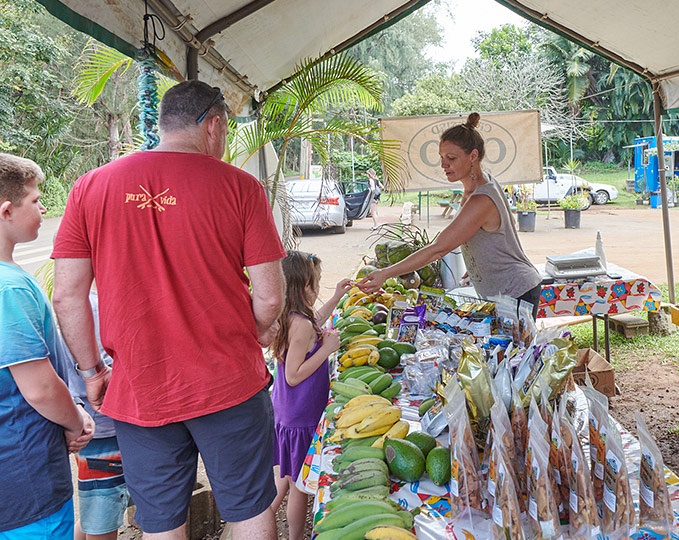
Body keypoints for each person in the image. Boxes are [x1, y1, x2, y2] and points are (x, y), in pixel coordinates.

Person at [51, 80, 286, 539]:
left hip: (140, 387)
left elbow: (66, 296)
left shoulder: (90, 187)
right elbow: (271, 297)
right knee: (249, 510)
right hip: (229, 382)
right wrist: (259, 329)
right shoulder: (240, 187)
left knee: (160, 523)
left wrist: (93, 372)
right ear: (213, 125)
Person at [358, 112, 542, 313]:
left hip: (515, 291)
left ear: (473, 156)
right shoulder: (478, 184)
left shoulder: (482, 198)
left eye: (451, 158)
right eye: (442, 157)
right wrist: (478, 265)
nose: (443, 164)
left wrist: (385, 273)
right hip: (503, 289)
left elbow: (438, 248)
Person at [0, 153, 95, 538]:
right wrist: (77, 420)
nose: (43, 208)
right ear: (7, 211)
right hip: (25, 479)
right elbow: (38, 388)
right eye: (36, 200)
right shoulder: (9, 288)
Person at [269, 251, 349, 540]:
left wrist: (337, 295)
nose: (318, 288)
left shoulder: (294, 317)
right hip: (300, 414)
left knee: (285, 478)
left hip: (288, 410)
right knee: (300, 485)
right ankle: (295, 536)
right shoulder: (300, 324)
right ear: (305, 285)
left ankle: (260, 523)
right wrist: (326, 351)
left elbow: (316, 321)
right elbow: (293, 375)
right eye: (316, 283)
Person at [60, 290, 130, 540]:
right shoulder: (95, 305)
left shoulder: (84, 302)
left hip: (99, 430)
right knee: (101, 519)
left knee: (96, 514)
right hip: (104, 432)